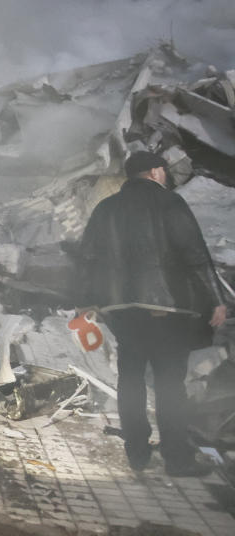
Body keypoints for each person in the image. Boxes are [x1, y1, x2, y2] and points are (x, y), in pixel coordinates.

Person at [78, 151, 227, 477]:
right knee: (170, 385)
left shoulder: (106, 209)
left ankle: (137, 454)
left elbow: (86, 257)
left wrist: (89, 302)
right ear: (157, 172)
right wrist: (216, 299)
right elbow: (195, 255)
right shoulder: (170, 204)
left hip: (121, 310)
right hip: (166, 309)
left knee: (130, 380)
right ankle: (176, 458)